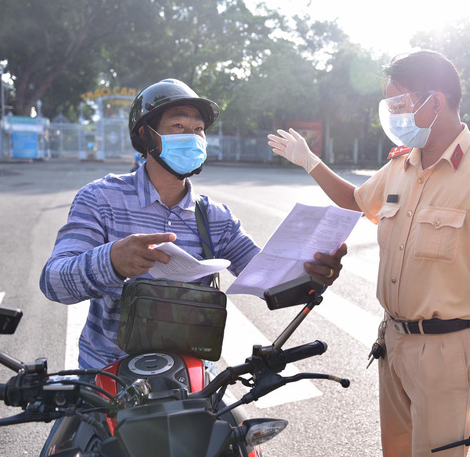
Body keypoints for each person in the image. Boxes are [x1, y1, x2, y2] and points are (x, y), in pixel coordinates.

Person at [267, 51, 470, 457]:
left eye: (400, 105)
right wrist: (310, 161)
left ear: (435, 102)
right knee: (397, 451)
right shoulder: (400, 166)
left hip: (446, 349)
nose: (394, 116)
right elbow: (355, 199)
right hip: (393, 341)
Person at [40, 78, 347, 370]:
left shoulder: (216, 218)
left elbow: (268, 279)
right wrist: (111, 261)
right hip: (106, 377)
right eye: (178, 126)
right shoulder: (101, 199)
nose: (192, 136)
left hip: (191, 381)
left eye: (198, 129)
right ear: (146, 135)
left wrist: (313, 274)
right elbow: (54, 282)